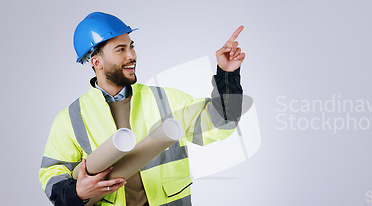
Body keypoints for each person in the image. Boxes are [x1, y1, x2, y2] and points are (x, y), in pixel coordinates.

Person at [39, 12, 244, 206]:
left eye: (131, 46)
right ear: (96, 61)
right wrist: (77, 193)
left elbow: (222, 123)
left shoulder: (165, 99)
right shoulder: (71, 118)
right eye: (121, 49)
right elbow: (52, 176)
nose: (132, 55)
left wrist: (227, 75)